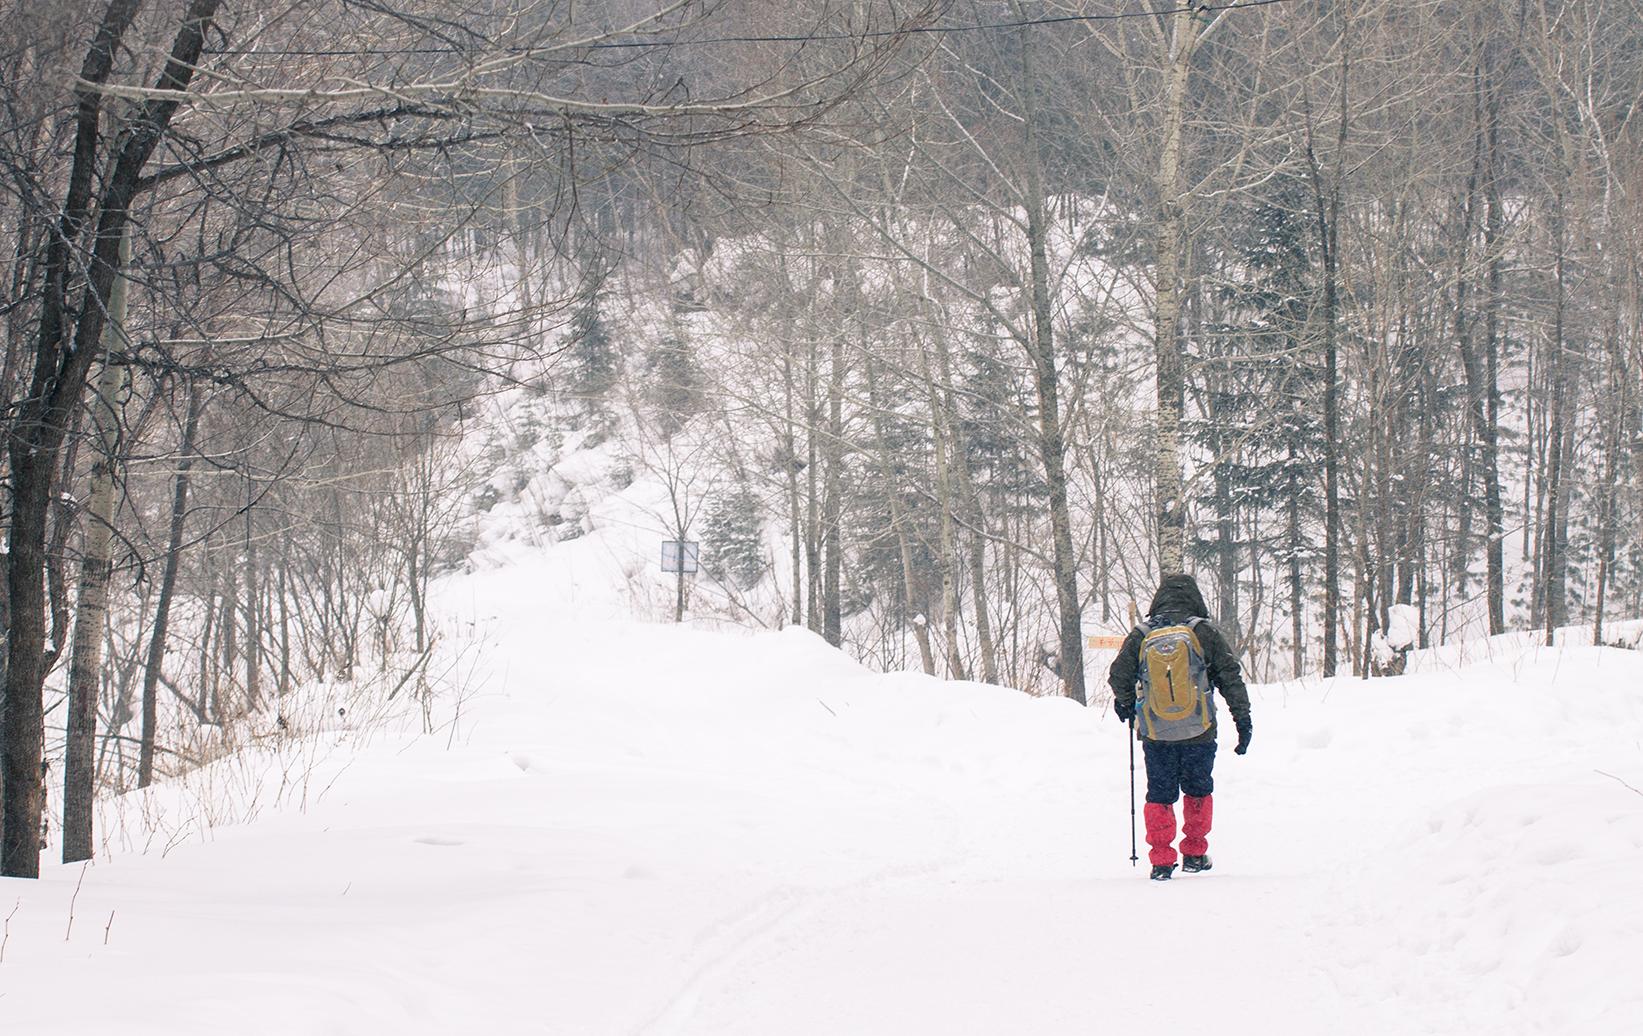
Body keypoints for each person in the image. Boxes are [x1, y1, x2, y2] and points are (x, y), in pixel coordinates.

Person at [1108, 573, 1252, 881]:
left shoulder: (1142, 634)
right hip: (1200, 729)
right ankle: (1195, 854)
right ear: (1195, 598)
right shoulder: (1203, 632)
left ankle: (1161, 860)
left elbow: (1119, 675)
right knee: (1198, 787)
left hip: (1156, 731)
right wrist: (1243, 719)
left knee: (1159, 792)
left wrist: (1126, 705)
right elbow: (1230, 677)